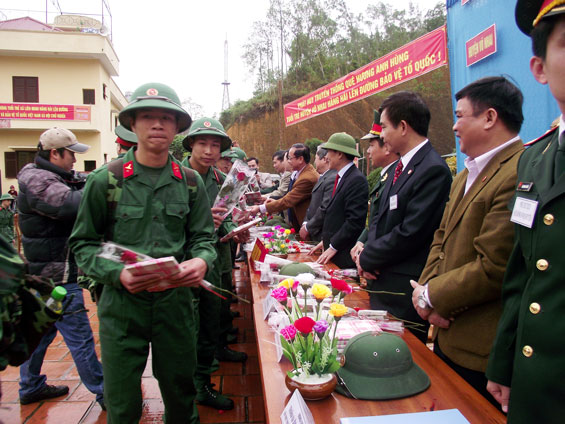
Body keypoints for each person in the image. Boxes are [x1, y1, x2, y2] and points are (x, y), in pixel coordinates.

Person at [69, 82, 217, 423]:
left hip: (175, 303)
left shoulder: (190, 182)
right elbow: (82, 244)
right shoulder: (106, 180)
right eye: (147, 116)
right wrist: (116, 273)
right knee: (121, 400)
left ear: (178, 128)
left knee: (181, 393)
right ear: (131, 125)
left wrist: (200, 261)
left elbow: (203, 239)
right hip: (122, 305)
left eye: (167, 118)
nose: (157, 124)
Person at [410, 76, 524, 405]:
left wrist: (431, 295)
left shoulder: (518, 171)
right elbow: (441, 239)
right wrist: (425, 299)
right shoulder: (464, 175)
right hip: (446, 331)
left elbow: (494, 265)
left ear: (489, 117)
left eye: (460, 116)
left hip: (480, 346)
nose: (455, 126)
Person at [486, 2, 565, 421]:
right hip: (536, 387)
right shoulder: (535, 160)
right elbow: (525, 270)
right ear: (540, 67)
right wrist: (504, 362)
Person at [17, 127, 104, 408]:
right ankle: (106, 393)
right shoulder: (36, 179)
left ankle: (30, 386)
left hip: (43, 276)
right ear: (54, 153)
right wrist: (103, 185)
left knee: (40, 334)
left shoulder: (53, 176)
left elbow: (79, 180)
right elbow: (70, 204)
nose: (75, 162)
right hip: (57, 277)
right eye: (71, 155)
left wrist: (101, 176)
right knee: (80, 338)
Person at [356, 91, 452, 343]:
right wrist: (368, 257)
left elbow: (412, 232)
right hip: (381, 278)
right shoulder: (397, 168)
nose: (382, 134)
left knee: (400, 358)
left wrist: (368, 257)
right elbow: (378, 218)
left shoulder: (432, 170)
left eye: (385, 127)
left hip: (402, 289)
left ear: (403, 127)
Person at [181, 117, 247, 410]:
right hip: (185, 264)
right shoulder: (175, 176)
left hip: (216, 258)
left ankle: (203, 384)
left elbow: (226, 213)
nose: (209, 150)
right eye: (203, 143)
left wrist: (234, 227)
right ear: (191, 144)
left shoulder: (221, 180)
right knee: (188, 330)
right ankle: (188, 387)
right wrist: (202, 219)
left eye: (215, 145)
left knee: (210, 322)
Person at [310, 133, 368, 268]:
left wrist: (333, 245)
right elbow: (336, 215)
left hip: (343, 255)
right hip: (334, 251)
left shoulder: (356, 180)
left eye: (329, 152)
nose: (326, 157)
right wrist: (326, 241)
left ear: (340, 154)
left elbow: (354, 221)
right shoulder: (342, 177)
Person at [350, 111, 397, 272]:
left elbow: (390, 226)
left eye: (371, 145)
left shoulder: (397, 176)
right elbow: (374, 221)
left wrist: (368, 254)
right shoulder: (383, 176)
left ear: (387, 148)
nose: (368, 152)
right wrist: (361, 241)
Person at [249, 143, 318, 231]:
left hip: (306, 226)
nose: (288, 161)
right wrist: (274, 201)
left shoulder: (307, 178)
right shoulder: (299, 173)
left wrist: (260, 208)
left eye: (290, 158)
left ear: (300, 159)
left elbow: (288, 200)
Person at [299, 147, 337, 242]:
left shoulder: (332, 178)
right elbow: (312, 206)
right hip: (313, 231)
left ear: (324, 159)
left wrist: (308, 227)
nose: (314, 162)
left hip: (321, 234)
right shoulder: (323, 177)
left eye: (315, 158)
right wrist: (305, 223)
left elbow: (324, 207)